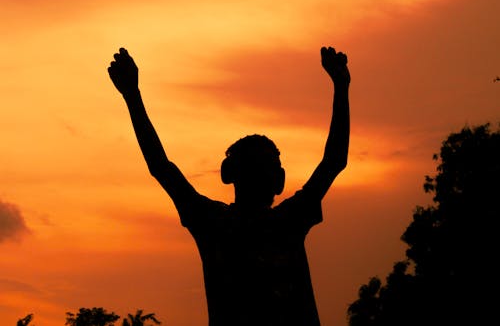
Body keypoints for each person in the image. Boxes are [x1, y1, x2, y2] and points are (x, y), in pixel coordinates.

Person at [108, 45, 350, 326]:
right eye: (255, 165)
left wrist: (132, 96)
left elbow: (161, 167)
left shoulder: (218, 223)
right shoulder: (271, 222)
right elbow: (334, 162)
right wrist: (341, 87)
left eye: (264, 166)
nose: (260, 174)